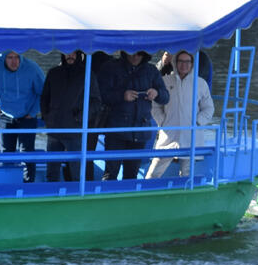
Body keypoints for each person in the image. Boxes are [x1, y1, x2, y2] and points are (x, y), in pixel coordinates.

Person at [98, 50, 170, 180]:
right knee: (110, 174)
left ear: (145, 54)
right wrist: (122, 95)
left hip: (139, 132)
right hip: (116, 131)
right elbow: (101, 95)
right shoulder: (111, 67)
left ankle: (126, 194)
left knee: (131, 175)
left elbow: (165, 97)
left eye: (139, 54)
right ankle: (107, 192)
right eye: (131, 53)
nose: (135, 57)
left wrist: (157, 93)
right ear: (125, 52)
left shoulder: (151, 70)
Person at [146, 51, 214, 178]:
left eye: (187, 62)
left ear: (192, 63)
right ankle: (145, 190)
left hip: (191, 137)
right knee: (153, 173)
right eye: (181, 61)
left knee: (187, 176)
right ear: (175, 63)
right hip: (168, 136)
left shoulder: (200, 84)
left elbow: (208, 108)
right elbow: (155, 105)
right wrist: (163, 121)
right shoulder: (165, 81)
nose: (184, 65)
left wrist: (197, 122)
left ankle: (184, 191)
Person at [40, 51, 102, 182]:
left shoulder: (87, 74)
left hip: (75, 130)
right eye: (67, 52)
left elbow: (96, 102)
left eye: (74, 53)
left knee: (76, 171)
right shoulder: (53, 73)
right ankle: (52, 193)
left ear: (79, 55)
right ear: (62, 54)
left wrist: (80, 117)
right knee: (52, 171)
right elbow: (44, 98)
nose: (70, 56)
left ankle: (76, 194)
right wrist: (47, 118)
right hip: (54, 130)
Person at [0, 50, 45, 183]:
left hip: (27, 116)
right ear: (3, 58)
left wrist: (33, 112)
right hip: (5, 114)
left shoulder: (32, 68)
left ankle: (28, 184)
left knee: (27, 152)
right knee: (6, 152)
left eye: (17, 57)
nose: (14, 61)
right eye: (10, 57)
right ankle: (7, 184)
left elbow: (43, 92)